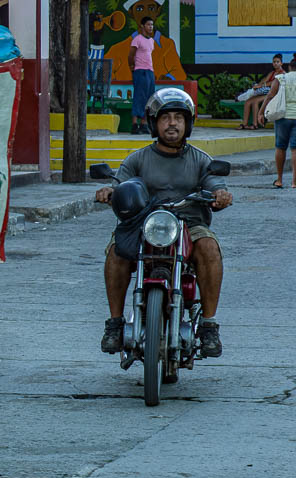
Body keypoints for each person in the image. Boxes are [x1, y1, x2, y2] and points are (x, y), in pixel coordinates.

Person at [95, 89, 232, 357]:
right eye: (166, 117)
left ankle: (209, 325)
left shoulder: (201, 159)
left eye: (179, 118)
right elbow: (118, 183)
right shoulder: (138, 158)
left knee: (210, 248)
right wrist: (108, 191)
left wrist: (221, 195)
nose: (172, 123)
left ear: (188, 123)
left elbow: (216, 183)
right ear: (154, 123)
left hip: (188, 223)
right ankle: (114, 323)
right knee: (116, 251)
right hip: (143, 223)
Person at [260, 56, 296, 188]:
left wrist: (261, 113)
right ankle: (294, 182)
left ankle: (280, 180)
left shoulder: (281, 78)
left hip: (282, 116)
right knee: (295, 149)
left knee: (280, 147)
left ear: (290, 68)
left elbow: (270, 95)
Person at [238, 54, 284, 130]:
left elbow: (272, 83)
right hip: (266, 92)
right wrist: (258, 86)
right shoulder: (272, 73)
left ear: (281, 63)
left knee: (255, 101)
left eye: (277, 62)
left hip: (275, 94)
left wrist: (261, 85)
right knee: (248, 102)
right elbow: (264, 80)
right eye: (274, 62)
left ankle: (255, 124)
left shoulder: (282, 73)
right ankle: (244, 124)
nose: (275, 63)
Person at [127, 17, 156, 135]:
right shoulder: (137, 39)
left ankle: (144, 124)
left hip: (150, 71)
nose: (151, 27)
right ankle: (134, 124)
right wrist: (132, 67)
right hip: (140, 71)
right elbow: (130, 55)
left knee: (149, 97)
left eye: (152, 25)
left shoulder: (152, 41)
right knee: (139, 96)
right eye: (148, 25)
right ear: (142, 26)